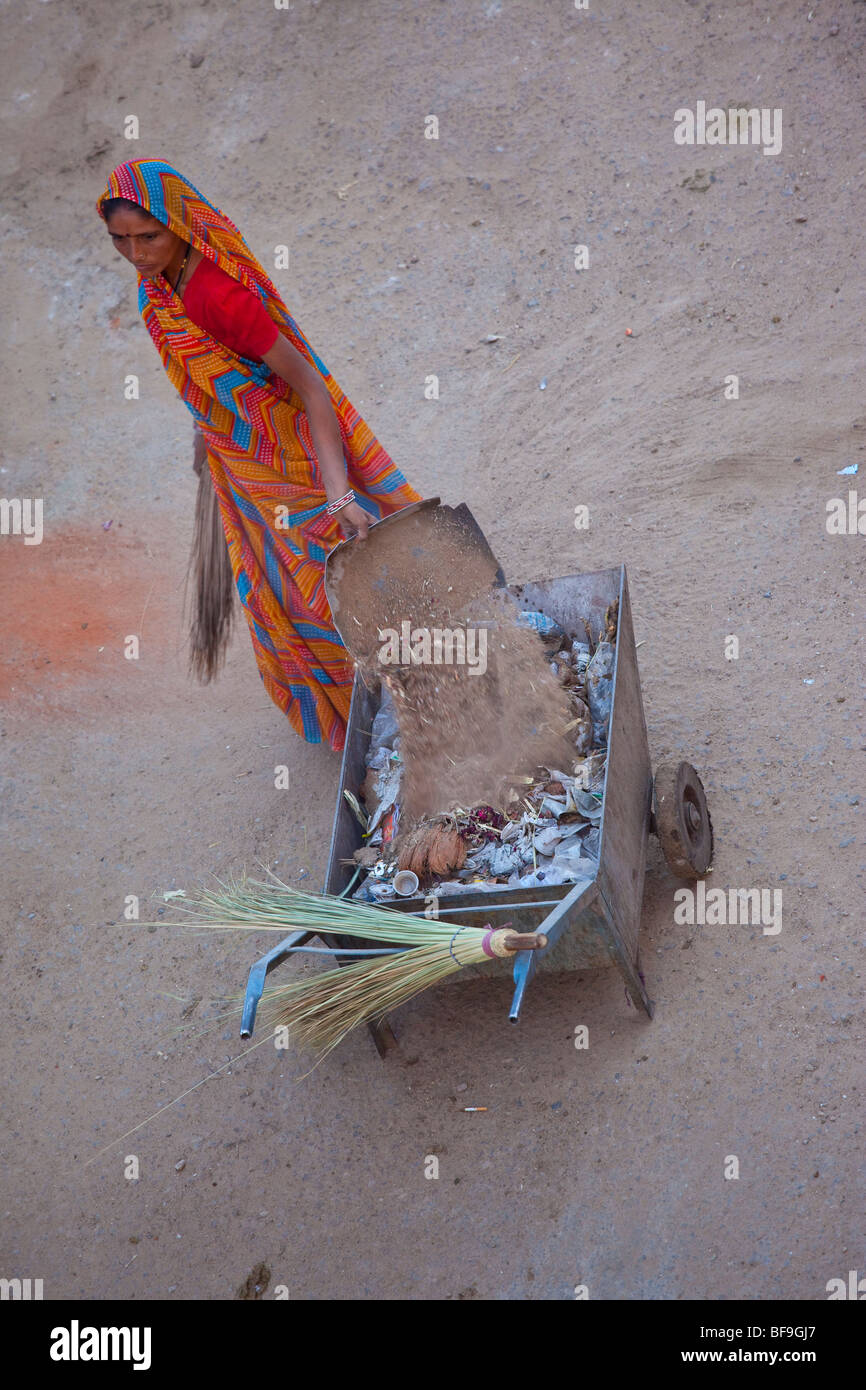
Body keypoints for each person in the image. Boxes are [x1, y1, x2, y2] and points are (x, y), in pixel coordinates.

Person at [97, 158, 421, 752]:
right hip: (240, 462)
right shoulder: (159, 285)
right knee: (292, 589)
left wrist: (338, 492)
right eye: (120, 240)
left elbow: (311, 389)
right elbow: (212, 380)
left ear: (180, 227)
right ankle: (367, 719)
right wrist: (207, 432)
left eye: (149, 237)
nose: (136, 254)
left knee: (330, 587)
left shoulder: (220, 298)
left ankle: (416, 705)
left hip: (291, 460)